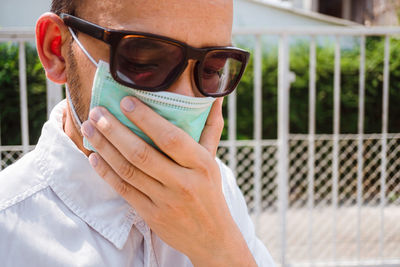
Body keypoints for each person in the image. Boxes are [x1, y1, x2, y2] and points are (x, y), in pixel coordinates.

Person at [0, 0, 275, 266]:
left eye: (211, 68)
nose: (182, 97)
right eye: (144, 61)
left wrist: (221, 251)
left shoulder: (217, 188)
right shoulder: (8, 227)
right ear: (56, 49)